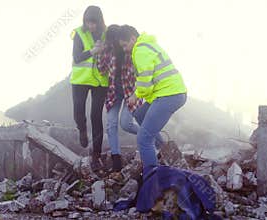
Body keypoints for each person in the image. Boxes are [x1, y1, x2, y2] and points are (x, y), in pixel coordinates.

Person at [118, 25, 187, 170]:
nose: (124, 49)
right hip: (167, 93)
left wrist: (135, 96)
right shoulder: (147, 46)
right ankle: (163, 150)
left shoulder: (140, 50)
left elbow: (145, 82)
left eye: (124, 45)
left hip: (169, 95)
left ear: (132, 38)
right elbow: (148, 77)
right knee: (140, 114)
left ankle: (152, 179)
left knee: (143, 139)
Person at [97, 25, 166, 172]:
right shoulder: (108, 51)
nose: (114, 45)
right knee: (111, 124)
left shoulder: (131, 51)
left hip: (131, 92)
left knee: (126, 124)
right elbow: (101, 69)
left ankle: (159, 141)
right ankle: (116, 159)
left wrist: (136, 93)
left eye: (114, 42)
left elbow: (141, 74)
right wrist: (101, 52)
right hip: (113, 93)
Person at [70, 6, 108, 170]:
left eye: (94, 23)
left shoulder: (107, 34)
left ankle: (96, 154)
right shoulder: (79, 33)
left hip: (100, 81)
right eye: (88, 22)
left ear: (99, 22)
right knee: (78, 110)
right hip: (81, 79)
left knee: (96, 116)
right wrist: (93, 51)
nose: (91, 26)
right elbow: (77, 58)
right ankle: (82, 130)